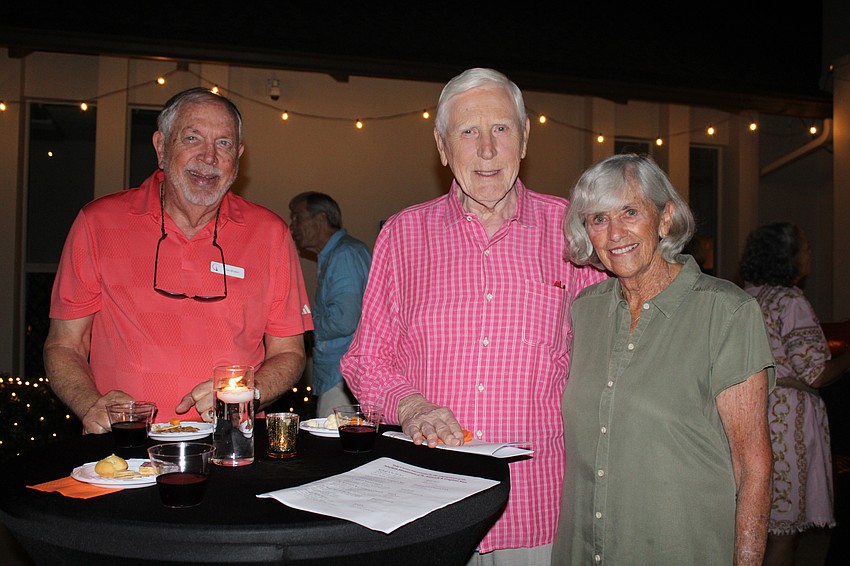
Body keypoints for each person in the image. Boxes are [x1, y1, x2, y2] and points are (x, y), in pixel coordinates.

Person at [340, 67, 608, 565]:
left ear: (524, 138)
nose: (487, 150)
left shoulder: (575, 233)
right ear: (442, 147)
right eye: (468, 132)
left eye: (501, 129)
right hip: (427, 506)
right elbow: (365, 360)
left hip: (537, 510)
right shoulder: (403, 236)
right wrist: (412, 406)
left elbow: (612, 360)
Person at [44, 87, 313, 432]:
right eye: (192, 138)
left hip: (231, 443)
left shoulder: (270, 234)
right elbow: (64, 344)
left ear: (239, 156)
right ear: (161, 147)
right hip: (127, 443)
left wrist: (248, 393)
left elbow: (289, 352)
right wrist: (90, 404)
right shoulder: (98, 223)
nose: (209, 157)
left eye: (224, 143)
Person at [553, 153, 775, 565]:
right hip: (584, 552)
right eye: (598, 219)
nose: (614, 232)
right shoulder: (586, 310)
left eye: (630, 211)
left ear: (665, 217)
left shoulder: (726, 313)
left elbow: (753, 467)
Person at [739, 222, 850, 566]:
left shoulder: (747, 295)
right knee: (782, 535)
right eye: (805, 248)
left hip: (749, 411)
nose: (809, 255)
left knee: (749, 531)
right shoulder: (790, 301)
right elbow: (815, 372)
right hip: (786, 423)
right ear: (788, 257)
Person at [288, 191, 371, 417]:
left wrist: (300, 326)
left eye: (297, 217)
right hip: (341, 374)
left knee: (332, 444)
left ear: (321, 218)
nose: (292, 226)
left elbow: (345, 320)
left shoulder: (344, 254)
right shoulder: (340, 253)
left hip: (342, 375)